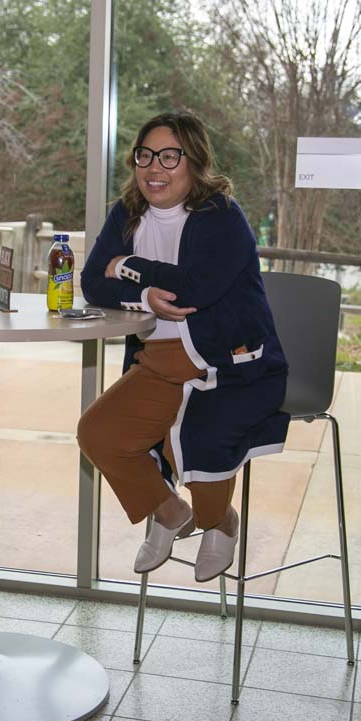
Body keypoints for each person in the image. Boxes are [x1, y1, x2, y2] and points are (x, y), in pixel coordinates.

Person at [75, 112, 289, 583]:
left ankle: (220, 522)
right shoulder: (125, 213)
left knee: (198, 439)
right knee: (99, 434)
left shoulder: (221, 216)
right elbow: (92, 283)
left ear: (194, 162)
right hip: (160, 363)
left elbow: (195, 289)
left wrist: (128, 266)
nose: (155, 167)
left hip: (231, 365)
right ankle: (171, 514)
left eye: (170, 156)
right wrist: (144, 295)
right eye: (145, 155)